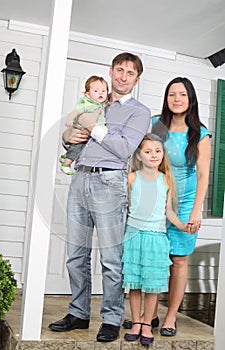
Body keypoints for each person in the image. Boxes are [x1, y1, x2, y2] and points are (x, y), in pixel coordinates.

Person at [48, 52, 151, 342]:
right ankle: (79, 312)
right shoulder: (94, 103)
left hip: (109, 183)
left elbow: (123, 149)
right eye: (119, 70)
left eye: (130, 73)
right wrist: (69, 135)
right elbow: (71, 136)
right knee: (76, 255)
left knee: (110, 258)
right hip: (80, 178)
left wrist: (93, 128)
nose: (122, 76)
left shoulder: (139, 112)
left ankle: (111, 318)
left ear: (136, 80)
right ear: (111, 71)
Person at [151, 77, 212, 336]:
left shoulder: (200, 133)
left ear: (191, 99)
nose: (176, 99)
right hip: (155, 199)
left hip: (185, 202)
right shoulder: (158, 125)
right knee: (153, 258)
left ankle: (171, 317)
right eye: (172, 94)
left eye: (182, 95)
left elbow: (202, 175)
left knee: (178, 259)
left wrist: (196, 210)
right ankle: (150, 315)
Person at [122, 133, 192, 345]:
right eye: (148, 151)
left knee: (152, 286)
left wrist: (183, 225)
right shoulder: (132, 178)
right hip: (134, 236)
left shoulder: (166, 179)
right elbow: (126, 207)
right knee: (134, 284)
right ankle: (135, 322)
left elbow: (168, 212)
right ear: (139, 155)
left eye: (157, 151)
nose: (153, 155)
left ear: (163, 154)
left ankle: (146, 325)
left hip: (156, 238)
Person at [59, 75, 108, 175]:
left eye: (103, 91)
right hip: (81, 132)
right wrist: (70, 118)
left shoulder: (99, 103)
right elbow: (76, 111)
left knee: (85, 148)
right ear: (88, 94)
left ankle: (65, 156)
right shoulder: (87, 104)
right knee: (78, 147)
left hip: (90, 133)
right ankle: (66, 165)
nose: (100, 93)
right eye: (96, 91)